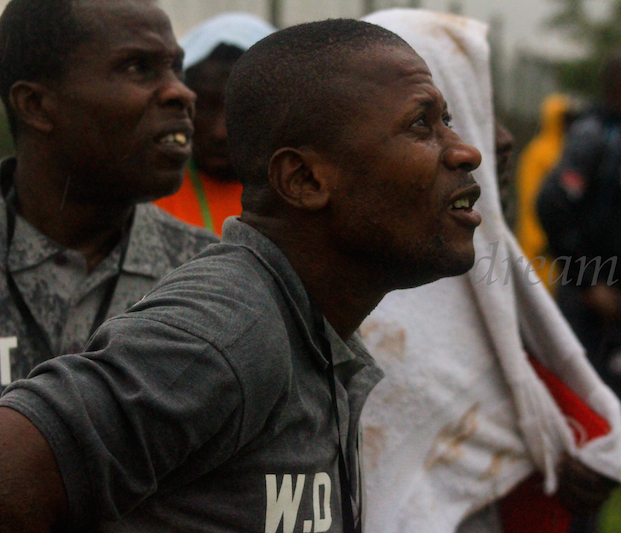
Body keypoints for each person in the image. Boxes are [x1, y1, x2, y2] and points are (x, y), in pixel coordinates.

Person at [0, 13, 484, 532]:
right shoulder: (232, 328)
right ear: (303, 179)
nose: (466, 150)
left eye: (447, 121)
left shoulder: (304, 326)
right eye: (420, 124)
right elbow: (14, 471)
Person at [358, 10, 621, 533]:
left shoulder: (476, 263)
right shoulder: (361, 310)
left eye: (482, 110)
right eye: (438, 119)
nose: (497, 140)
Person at [0, 0, 217, 392]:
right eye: (138, 67)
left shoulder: (212, 282)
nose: (182, 93)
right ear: (35, 105)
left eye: (176, 68)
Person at [537, 48, 621, 408]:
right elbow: (552, 203)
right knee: (585, 412)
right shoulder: (593, 136)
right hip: (591, 307)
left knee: (615, 409)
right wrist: (589, 281)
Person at [155, 12, 275, 235]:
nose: (220, 132)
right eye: (205, 106)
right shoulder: (148, 193)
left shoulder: (301, 201)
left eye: (241, 111)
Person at [515, 94, 581, 290]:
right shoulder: (539, 153)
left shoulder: (571, 151)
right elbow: (529, 195)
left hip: (562, 244)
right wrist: (537, 236)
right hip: (540, 245)